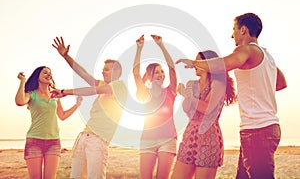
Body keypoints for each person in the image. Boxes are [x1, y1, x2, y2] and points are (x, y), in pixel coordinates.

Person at [176, 13, 287, 179]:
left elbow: (224, 64)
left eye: (234, 29)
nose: (232, 34)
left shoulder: (246, 49)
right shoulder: (267, 57)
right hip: (263, 129)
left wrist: (195, 63)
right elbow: (280, 83)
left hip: (257, 130)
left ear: (243, 30)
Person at [52, 37, 128, 179]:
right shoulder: (102, 84)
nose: (103, 72)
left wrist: (65, 92)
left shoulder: (119, 86)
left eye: (106, 70)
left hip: (98, 141)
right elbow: (83, 73)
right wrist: (65, 55)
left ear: (116, 71)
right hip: (84, 137)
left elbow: (93, 90)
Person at [171, 50, 236, 179]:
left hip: (209, 137)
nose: (195, 65)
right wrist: (186, 96)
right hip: (190, 134)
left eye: (199, 61)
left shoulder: (218, 85)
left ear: (208, 64)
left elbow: (207, 109)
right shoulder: (192, 84)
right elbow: (186, 108)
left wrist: (188, 96)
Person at [15, 66, 82, 179]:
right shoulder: (31, 94)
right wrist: (22, 81)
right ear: (37, 77)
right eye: (44, 72)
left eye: (50, 73)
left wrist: (77, 105)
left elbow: (62, 115)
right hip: (34, 141)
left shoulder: (55, 96)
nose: (48, 74)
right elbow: (20, 101)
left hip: (53, 142)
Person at [133, 34, 177, 179]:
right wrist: (139, 48)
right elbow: (136, 73)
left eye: (161, 71)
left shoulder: (170, 91)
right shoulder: (144, 93)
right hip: (147, 139)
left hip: (168, 139)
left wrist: (161, 45)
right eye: (156, 72)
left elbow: (172, 69)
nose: (161, 74)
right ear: (150, 76)